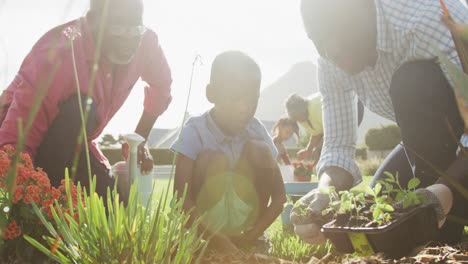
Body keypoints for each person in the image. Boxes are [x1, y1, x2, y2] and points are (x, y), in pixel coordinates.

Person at [291, 0, 468, 245]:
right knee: (379, 213)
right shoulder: (331, 59)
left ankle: (443, 236)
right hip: (432, 143)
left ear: (367, 6)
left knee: (412, 83)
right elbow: (338, 147)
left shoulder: (426, 21)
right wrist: (325, 192)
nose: (333, 50)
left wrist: (446, 189)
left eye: (340, 31)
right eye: (319, 40)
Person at [0, 0, 172, 201]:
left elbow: (162, 87)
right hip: (23, 139)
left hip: (76, 143)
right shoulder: (57, 54)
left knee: (115, 206)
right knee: (80, 109)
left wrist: (140, 138)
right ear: (92, 22)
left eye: (135, 26)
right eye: (117, 26)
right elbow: (14, 146)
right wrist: (32, 202)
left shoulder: (146, 42)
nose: (128, 37)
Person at [171, 51, 286, 253]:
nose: (245, 108)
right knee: (215, 160)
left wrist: (251, 237)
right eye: (235, 97)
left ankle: (252, 236)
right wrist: (219, 241)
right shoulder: (195, 131)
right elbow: (182, 200)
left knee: (259, 149)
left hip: (248, 231)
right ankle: (203, 240)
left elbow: (279, 199)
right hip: (205, 228)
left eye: (252, 100)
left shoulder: (257, 130)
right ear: (211, 94)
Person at [285, 93, 364, 165]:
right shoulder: (302, 118)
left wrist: (318, 148)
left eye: (297, 117)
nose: (298, 121)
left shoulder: (316, 106)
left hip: (352, 105)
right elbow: (317, 134)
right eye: (295, 118)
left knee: (338, 145)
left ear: (302, 110)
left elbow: (331, 132)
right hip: (337, 120)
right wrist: (308, 150)